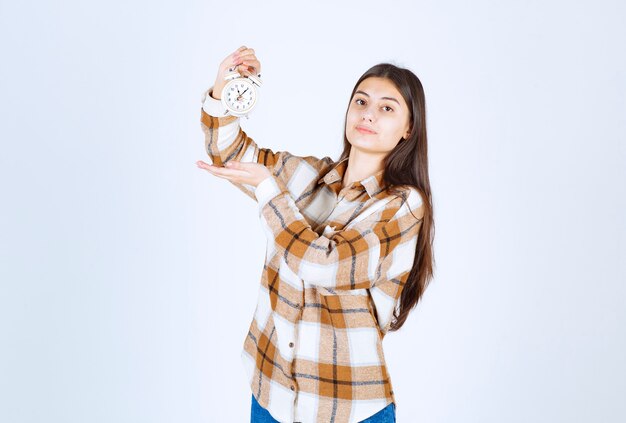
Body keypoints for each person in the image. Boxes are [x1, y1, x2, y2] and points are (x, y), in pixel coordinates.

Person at [196, 45, 435, 423]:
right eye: (361, 102)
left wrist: (268, 193)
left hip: (346, 409)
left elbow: (323, 265)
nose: (368, 114)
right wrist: (231, 87)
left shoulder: (402, 206)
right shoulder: (312, 179)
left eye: (387, 108)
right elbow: (228, 154)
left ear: (408, 128)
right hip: (271, 396)